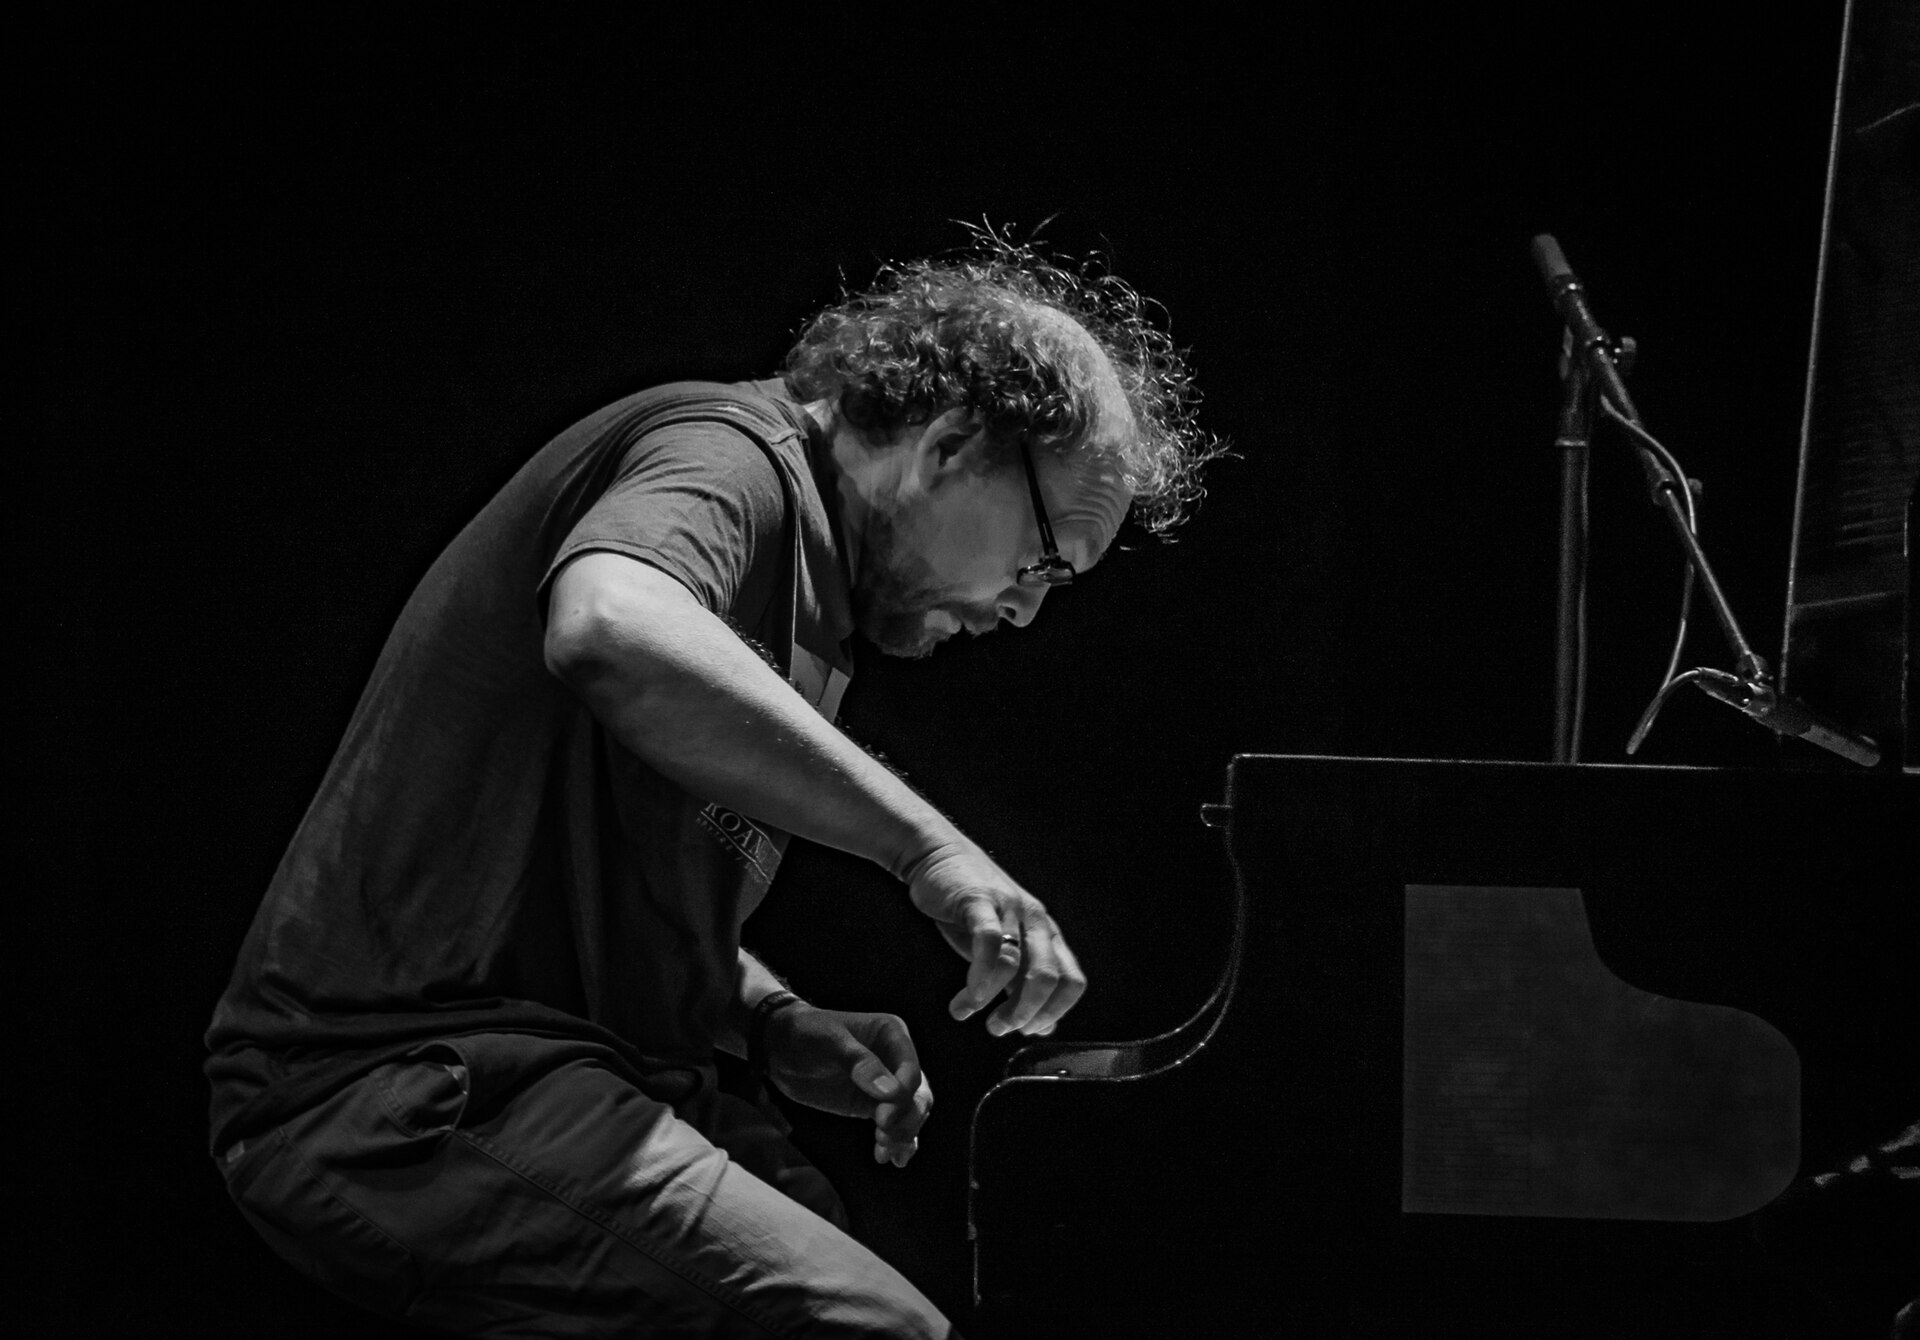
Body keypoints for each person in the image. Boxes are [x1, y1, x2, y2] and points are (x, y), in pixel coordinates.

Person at [205, 233, 1221, 1337]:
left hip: (576, 1075)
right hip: (392, 1085)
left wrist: (773, 1019)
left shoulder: (814, 597)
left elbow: (591, 882)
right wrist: (930, 849)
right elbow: (609, 622)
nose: (1025, 610)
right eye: (1041, 562)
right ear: (954, 443)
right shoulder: (726, 456)